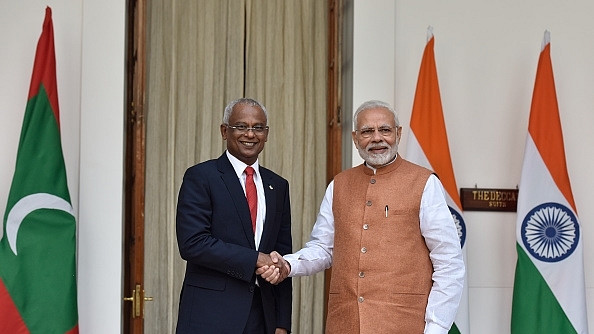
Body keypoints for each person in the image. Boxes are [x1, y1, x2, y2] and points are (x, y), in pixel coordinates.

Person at [258, 100, 464, 334]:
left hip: (405, 323)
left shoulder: (425, 183)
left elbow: (449, 263)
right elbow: (325, 248)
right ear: (355, 138)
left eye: (385, 130)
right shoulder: (339, 184)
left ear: (398, 133)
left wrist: (436, 328)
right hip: (345, 323)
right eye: (367, 131)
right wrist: (288, 264)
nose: (377, 138)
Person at [175, 98, 292, 334]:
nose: (250, 134)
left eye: (258, 127)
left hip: (263, 318)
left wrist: (282, 322)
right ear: (224, 131)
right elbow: (192, 244)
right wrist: (256, 259)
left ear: (266, 134)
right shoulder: (201, 176)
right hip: (209, 316)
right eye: (241, 126)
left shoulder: (277, 185)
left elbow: (281, 255)